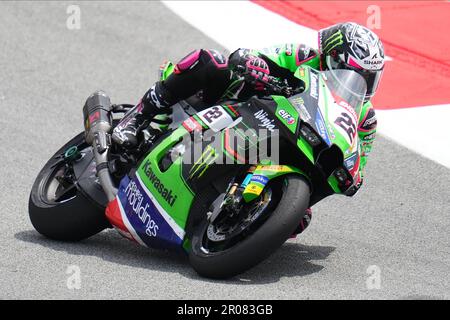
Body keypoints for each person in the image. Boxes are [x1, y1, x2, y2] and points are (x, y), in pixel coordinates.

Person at [112, 22, 384, 235]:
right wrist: (256, 67)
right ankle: (138, 116)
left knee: (300, 219)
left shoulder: (365, 118)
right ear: (333, 58)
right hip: (241, 110)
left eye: (369, 78)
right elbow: (247, 57)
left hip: (288, 145)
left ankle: (242, 214)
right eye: (356, 73)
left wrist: (353, 177)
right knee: (212, 62)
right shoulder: (302, 57)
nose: (361, 83)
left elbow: (357, 158)